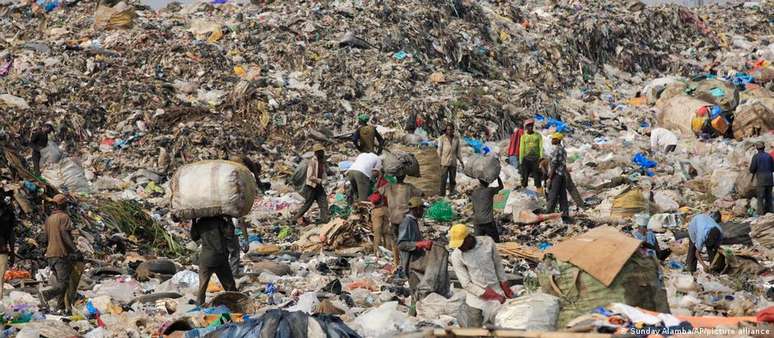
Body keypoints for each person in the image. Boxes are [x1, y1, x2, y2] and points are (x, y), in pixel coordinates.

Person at [448, 224, 513, 327]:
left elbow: (498, 265)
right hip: (476, 301)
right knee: (476, 331)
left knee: (501, 327)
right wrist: (490, 295)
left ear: (469, 237)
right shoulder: (457, 255)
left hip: (497, 294)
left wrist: (506, 287)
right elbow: (466, 284)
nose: (459, 247)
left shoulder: (487, 242)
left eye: (461, 243)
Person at [397, 197, 449, 314]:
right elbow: (401, 244)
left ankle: (416, 315)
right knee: (416, 293)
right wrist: (420, 244)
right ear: (416, 209)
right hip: (410, 263)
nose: (423, 212)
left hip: (416, 261)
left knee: (418, 293)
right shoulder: (407, 222)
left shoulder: (413, 221)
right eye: (422, 209)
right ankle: (413, 316)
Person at [39, 194, 80, 312]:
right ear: (63, 204)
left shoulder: (49, 219)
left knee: (62, 282)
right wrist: (74, 249)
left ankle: (60, 307)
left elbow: (44, 238)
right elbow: (64, 234)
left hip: (50, 255)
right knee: (64, 283)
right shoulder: (64, 217)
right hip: (60, 253)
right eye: (66, 203)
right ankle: (46, 294)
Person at [379, 174, 422, 272]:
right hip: (405, 219)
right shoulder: (409, 187)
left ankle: (396, 262)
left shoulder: (388, 187)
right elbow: (421, 193)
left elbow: (378, 190)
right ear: (404, 177)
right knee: (407, 242)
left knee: (395, 241)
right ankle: (405, 264)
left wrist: (381, 176)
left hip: (394, 218)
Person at [191, 216, 238, 305]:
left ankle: (200, 303)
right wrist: (229, 220)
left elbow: (194, 237)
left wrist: (193, 221)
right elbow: (230, 234)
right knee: (229, 285)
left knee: (202, 286)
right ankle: (235, 302)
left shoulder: (200, 222)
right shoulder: (219, 221)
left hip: (206, 258)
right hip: (220, 257)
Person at [368, 165, 398, 265]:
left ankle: (376, 252)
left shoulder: (380, 183)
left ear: (378, 172)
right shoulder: (387, 182)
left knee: (377, 232)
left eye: (374, 171)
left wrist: (371, 201)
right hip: (387, 209)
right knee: (386, 232)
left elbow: (376, 197)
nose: (372, 173)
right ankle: (388, 251)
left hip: (378, 210)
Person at [294, 144, 330, 224]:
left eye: (322, 151)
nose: (323, 153)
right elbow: (310, 177)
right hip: (311, 186)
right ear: (317, 152)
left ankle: (325, 219)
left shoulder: (322, 162)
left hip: (318, 186)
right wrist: (320, 181)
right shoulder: (312, 162)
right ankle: (294, 219)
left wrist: (325, 180)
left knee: (323, 202)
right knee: (308, 204)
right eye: (321, 151)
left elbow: (323, 173)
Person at [546, 133, 571, 223]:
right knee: (563, 196)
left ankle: (549, 213)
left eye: (553, 139)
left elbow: (554, 164)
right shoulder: (563, 150)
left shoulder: (557, 150)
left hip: (556, 175)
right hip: (562, 175)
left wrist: (550, 177)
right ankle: (565, 214)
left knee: (553, 195)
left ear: (557, 140)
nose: (552, 140)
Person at [469, 178, 503, 242]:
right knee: (496, 242)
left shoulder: (474, 192)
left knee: (478, 243)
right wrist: (498, 177)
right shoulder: (489, 191)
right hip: (488, 221)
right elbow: (501, 187)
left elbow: (474, 208)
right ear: (488, 183)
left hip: (477, 221)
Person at [437, 124, 464, 196]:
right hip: (444, 162)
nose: (449, 131)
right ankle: (442, 194)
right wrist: (438, 161)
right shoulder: (442, 138)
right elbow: (439, 150)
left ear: (453, 130)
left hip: (453, 162)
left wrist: (461, 161)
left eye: (451, 129)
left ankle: (452, 192)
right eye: (448, 129)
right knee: (443, 179)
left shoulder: (456, 138)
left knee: (452, 179)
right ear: (446, 130)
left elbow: (458, 151)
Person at [749, 141, 774, 215]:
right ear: (764, 147)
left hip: (761, 179)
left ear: (757, 148)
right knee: (769, 196)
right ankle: (770, 212)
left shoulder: (755, 157)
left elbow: (752, 169)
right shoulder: (769, 156)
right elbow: (773, 168)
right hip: (769, 178)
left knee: (760, 197)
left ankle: (761, 213)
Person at [0, 187, 16, 300]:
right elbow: (11, 234)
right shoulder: (8, 213)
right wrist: (12, 251)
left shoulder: (8, 213)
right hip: (2, 250)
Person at [519, 119, 543, 192]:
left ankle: (540, 192)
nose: (530, 127)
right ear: (526, 127)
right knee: (524, 177)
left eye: (531, 126)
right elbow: (521, 148)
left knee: (537, 177)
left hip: (535, 159)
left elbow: (541, 147)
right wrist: (521, 160)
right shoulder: (523, 136)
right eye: (528, 126)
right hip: (526, 159)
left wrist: (541, 158)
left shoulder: (538, 135)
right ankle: (523, 191)